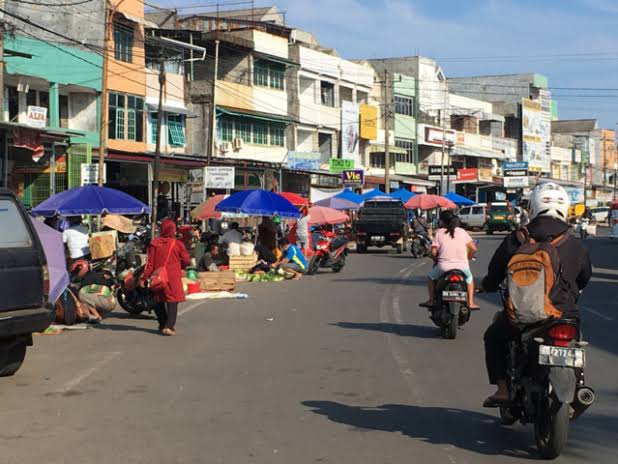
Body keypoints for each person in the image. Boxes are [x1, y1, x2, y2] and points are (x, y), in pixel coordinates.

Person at [480, 182, 592, 407]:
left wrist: (488, 285)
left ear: (532, 207)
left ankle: (502, 389)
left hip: (523, 316)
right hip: (563, 314)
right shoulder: (575, 244)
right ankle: (579, 384)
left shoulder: (517, 238)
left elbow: (494, 273)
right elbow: (585, 277)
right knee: (575, 340)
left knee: (493, 336)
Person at [421, 210, 479, 309]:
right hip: (462, 267)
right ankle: (471, 303)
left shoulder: (439, 233)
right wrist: (468, 257)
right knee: (469, 279)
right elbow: (474, 248)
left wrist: (436, 259)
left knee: (431, 277)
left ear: (442, 222)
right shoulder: (462, 231)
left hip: (444, 266)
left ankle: (431, 300)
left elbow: (434, 252)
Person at [141, 219, 190, 336]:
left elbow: (150, 264)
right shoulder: (177, 244)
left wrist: (144, 277)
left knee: (158, 299)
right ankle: (169, 326)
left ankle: (162, 323)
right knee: (172, 300)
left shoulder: (154, 244)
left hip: (158, 276)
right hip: (172, 277)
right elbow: (187, 260)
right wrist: (180, 266)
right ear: (173, 230)